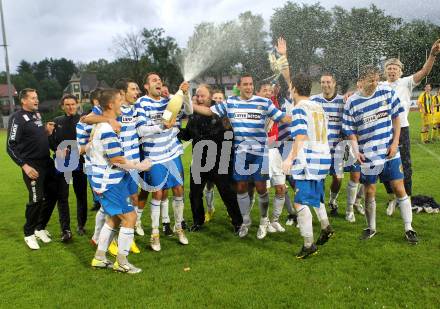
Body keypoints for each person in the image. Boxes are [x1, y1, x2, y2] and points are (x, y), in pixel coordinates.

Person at [192, 73, 291, 239]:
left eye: (251, 84)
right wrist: (188, 104)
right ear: (239, 86)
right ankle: (245, 221)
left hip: (260, 153)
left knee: (261, 188)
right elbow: (209, 111)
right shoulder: (231, 102)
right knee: (241, 188)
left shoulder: (264, 102)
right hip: (240, 153)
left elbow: (282, 118)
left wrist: (301, 114)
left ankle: (263, 221)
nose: (249, 87)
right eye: (245, 84)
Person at [343, 65, 418, 244]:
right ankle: (371, 228)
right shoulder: (352, 102)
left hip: (389, 151)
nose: (375, 83)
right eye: (372, 80)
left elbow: (397, 118)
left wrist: (394, 143)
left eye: (377, 79)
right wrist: (355, 150)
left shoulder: (386, 92)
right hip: (368, 154)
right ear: (361, 82)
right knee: (370, 192)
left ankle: (409, 228)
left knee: (399, 188)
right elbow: (350, 131)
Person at [89, 88, 151, 274]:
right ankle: (121, 262)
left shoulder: (105, 126)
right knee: (129, 217)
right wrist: (139, 166)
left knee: (113, 219)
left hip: (110, 181)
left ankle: (99, 258)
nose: (122, 103)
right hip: (110, 183)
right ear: (110, 104)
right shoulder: (107, 129)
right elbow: (116, 159)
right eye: (119, 100)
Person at [82, 79, 142, 255]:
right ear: (122, 93)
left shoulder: (137, 109)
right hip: (115, 166)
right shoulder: (112, 111)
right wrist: (109, 120)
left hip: (129, 165)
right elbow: (87, 118)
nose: (136, 92)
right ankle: (105, 241)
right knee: (112, 208)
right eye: (133, 89)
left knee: (132, 200)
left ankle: (123, 239)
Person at [381, 39, 440, 215]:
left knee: (405, 165)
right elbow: (362, 90)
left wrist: (432, 55)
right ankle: (393, 197)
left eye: (395, 68)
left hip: (403, 129)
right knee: (383, 165)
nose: (392, 70)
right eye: (389, 68)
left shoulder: (406, 82)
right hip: (383, 130)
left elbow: (424, 71)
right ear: (385, 71)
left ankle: (405, 199)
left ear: (400, 71)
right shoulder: (380, 86)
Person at [136, 72, 192, 251]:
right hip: (154, 155)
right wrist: (161, 126)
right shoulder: (141, 103)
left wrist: (185, 94)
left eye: (160, 80)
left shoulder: (168, 100)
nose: (158, 82)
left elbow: (189, 112)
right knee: (158, 193)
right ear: (146, 86)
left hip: (172, 152)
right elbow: (141, 130)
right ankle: (154, 234)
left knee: (178, 189)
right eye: (154, 80)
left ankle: (179, 228)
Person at [282, 73, 334, 259]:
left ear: (294, 88)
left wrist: (289, 158)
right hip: (323, 157)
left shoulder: (299, 108)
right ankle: (326, 227)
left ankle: (308, 245)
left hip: (309, 160)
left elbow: (301, 136)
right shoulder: (318, 106)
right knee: (315, 198)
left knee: (300, 202)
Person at [179, 84, 243, 232]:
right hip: (199, 160)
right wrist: (174, 130)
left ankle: (238, 223)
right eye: (198, 96)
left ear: (210, 97)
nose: (200, 99)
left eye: (203, 96)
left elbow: (230, 135)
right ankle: (198, 222)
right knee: (194, 194)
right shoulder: (194, 114)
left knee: (227, 193)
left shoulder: (218, 111)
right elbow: (188, 134)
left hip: (219, 160)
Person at [310, 73, 365, 222]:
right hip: (321, 149)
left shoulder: (344, 100)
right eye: (322, 82)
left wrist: (353, 93)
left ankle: (333, 201)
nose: (325, 85)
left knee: (338, 178)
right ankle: (320, 209)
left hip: (340, 147)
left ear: (334, 83)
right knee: (319, 179)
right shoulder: (314, 100)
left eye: (328, 82)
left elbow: (359, 97)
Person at [6, 88, 57, 249]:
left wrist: (46, 132)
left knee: (53, 194)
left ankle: (39, 228)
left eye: (37, 97)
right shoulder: (17, 118)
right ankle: (29, 233)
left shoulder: (37, 115)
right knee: (36, 199)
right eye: (33, 98)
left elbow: (35, 136)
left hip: (46, 162)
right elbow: (10, 146)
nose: (37, 100)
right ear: (24, 101)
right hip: (32, 165)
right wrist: (24, 166)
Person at [49, 94, 88, 240]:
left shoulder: (84, 120)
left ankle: (81, 225)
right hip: (62, 162)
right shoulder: (57, 121)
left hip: (80, 161)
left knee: (81, 194)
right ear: (62, 106)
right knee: (62, 196)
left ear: (77, 104)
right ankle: (65, 229)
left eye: (73, 104)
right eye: (67, 105)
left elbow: (90, 139)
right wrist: (57, 149)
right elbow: (50, 141)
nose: (70, 107)